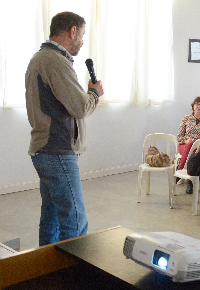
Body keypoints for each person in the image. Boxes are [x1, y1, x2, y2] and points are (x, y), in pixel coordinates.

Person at [25, 11, 104, 246]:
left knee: (51, 218)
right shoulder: (54, 61)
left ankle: (48, 273)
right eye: (82, 35)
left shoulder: (42, 58)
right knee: (75, 221)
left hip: (47, 151)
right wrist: (94, 93)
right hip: (57, 152)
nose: (81, 41)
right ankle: (72, 276)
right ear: (72, 31)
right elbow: (80, 107)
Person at [177, 97, 200, 194]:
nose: (199, 106)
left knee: (194, 148)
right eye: (197, 104)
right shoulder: (186, 118)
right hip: (184, 146)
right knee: (191, 145)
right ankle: (190, 182)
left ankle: (180, 170)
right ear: (193, 106)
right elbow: (179, 137)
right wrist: (186, 141)